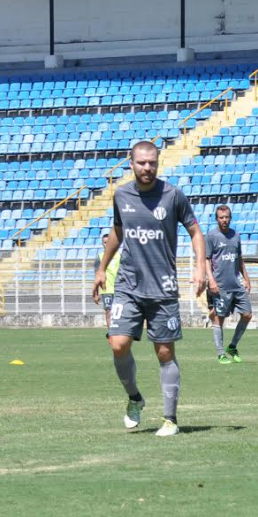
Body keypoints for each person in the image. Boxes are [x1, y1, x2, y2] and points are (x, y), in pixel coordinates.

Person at [94, 140, 206, 438]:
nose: (147, 168)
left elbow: (195, 232)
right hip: (128, 285)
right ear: (131, 164)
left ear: (158, 163)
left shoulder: (172, 196)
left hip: (163, 288)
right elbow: (118, 231)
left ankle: (170, 418)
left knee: (165, 352)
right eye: (142, 163)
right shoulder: (121, 195)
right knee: (118, 344)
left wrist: (200, 268)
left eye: (152, 163)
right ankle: (134, 398)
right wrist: (102, 268)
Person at [205, 204, 252, 364]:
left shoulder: (236, 236)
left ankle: (232, 346)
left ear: (230, 218)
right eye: (221, 218)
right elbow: (207, 260)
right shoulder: (211, 236)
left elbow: (239, 258)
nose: (224, 220)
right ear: (217, 219)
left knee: (247, 314)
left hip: (236, 284)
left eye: (226, 217)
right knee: (219, 318)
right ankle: (220, 354)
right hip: (220, 285)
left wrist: (246, 278)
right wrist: (211, 280)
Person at [93, 228, 122, 327]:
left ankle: (120, 334)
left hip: (119, 290)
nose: (106, 244)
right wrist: (96, 293)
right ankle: (111, 335)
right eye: (104, 243)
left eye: (107, 242)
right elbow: (96, 276)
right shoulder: (100, 257)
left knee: (119, 314)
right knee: (109, 312)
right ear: (102, 244)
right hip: (106, 290)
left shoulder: (119, 256)